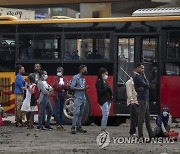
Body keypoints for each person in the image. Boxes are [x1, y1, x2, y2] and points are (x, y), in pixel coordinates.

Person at [133, 63, 153, 142]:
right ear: (137, 68)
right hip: (142, 99)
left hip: (145, 98)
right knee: (141, 118)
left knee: (147, 118)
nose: (143, 70)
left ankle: (151, 135)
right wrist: (144, 83)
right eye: (141, 68)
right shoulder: (138, 77)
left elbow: (146, 86)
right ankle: (140, 136)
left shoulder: (141, 77)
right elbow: (148, 86)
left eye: (143, 68)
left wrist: (144, 78)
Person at [70, 65, 89, 134]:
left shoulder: (83, 78)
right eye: (85, 69)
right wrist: (82, 89)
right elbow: (72, 87)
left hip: (83, 97)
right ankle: (73, 127)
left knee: (81, 113)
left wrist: (85, 89)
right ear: (81, 70)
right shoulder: (76, 77)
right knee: (76, 113)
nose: (86, 71)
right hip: (77, 97)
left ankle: (79, 126)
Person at [95, 68, 112, 133]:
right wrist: (107, 88)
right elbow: (100, 91)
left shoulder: (105, 82)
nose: (107, 76)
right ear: (102, 74)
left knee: (106, 114)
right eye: (106, 74)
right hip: (103, 100)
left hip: (108, 99)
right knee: (105, 114)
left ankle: (104, 128)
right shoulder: (99, 82)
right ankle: (102, 129)